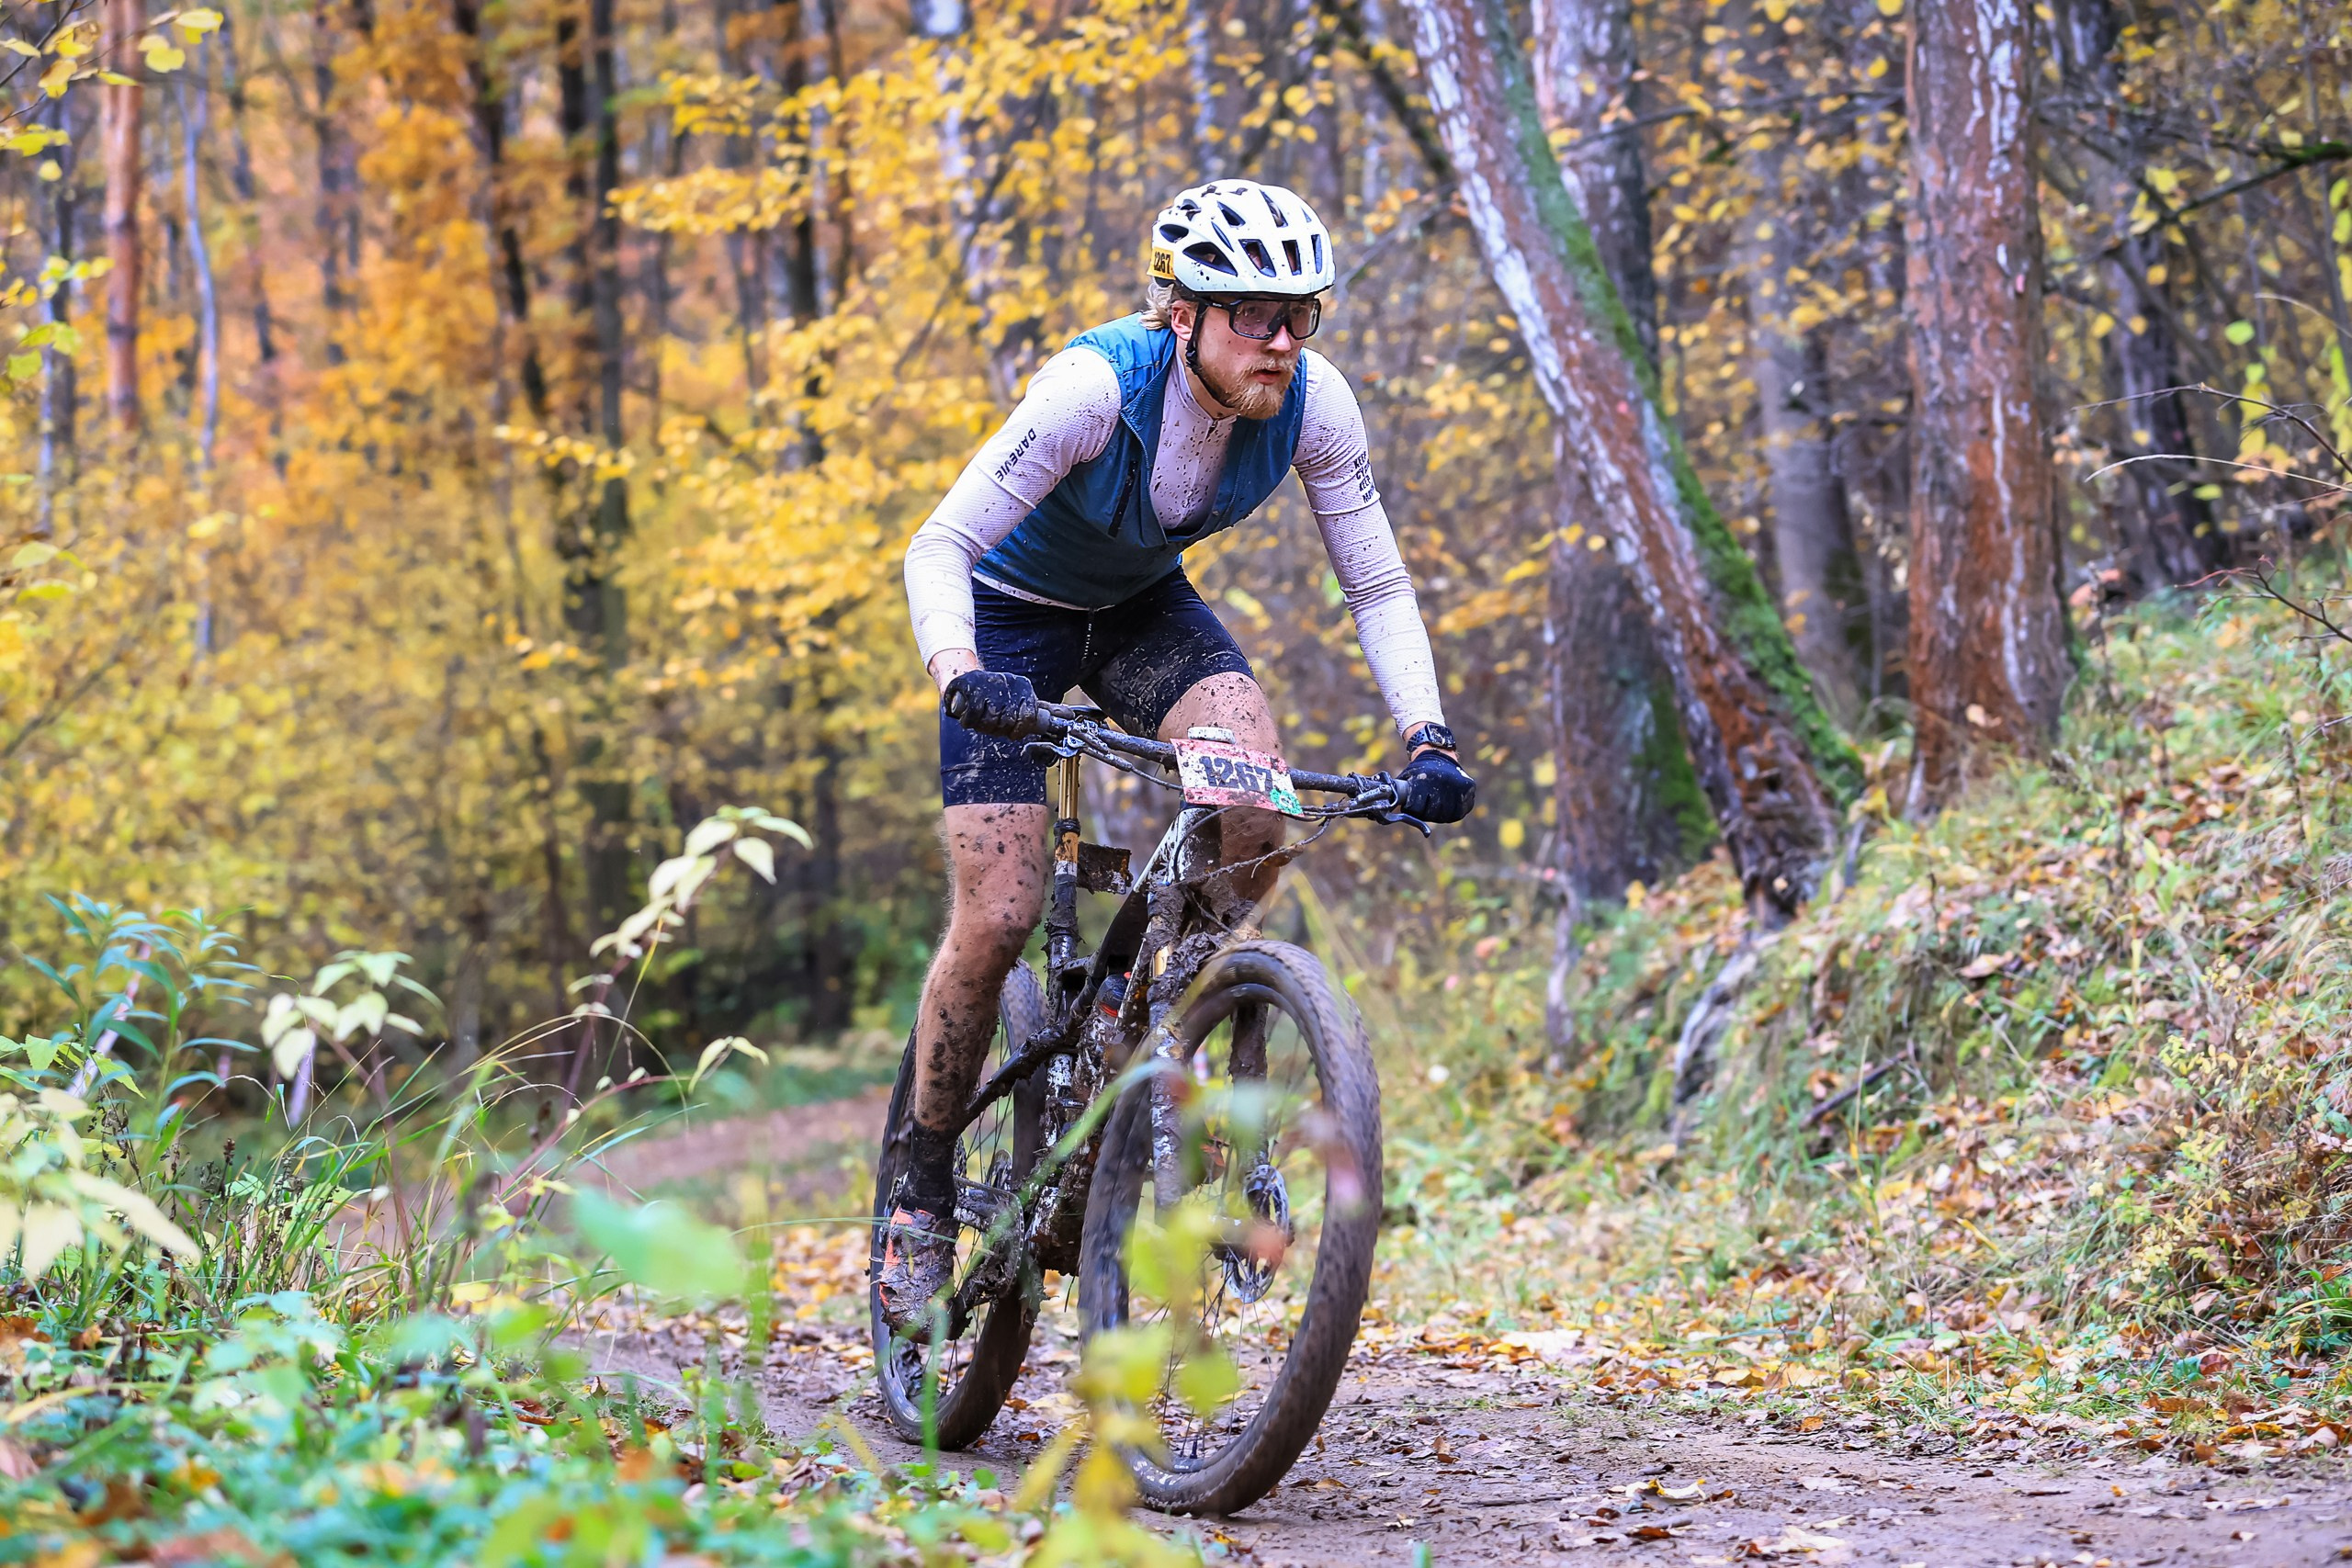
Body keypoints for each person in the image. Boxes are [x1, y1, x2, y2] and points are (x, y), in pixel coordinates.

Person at [880, 178, 1476, 1329]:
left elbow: (1378, 581)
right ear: (1182, 310)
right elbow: (938, 544)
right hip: (1000, 623)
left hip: (1144, 614)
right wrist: (960, 672)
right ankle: (918, 1189)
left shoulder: (1314, 406)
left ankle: (1142, 1010)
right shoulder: (1092, 388)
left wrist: (1429, 736)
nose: (1284, 339)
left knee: (1256, 808)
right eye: (1253, 314)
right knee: (998, 911)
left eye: (1303, 312)